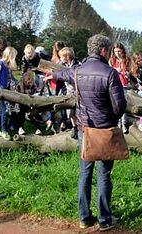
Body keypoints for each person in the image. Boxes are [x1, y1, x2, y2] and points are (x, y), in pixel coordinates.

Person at [51, 34, 126, 231]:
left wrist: (53, 74)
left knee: (85, 173)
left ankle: (84, 218)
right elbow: (120, 106)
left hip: (85, 129)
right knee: (104, 174)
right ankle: (104, 219)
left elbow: (63, 74)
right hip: (104, 130)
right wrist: (111, 117)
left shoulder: (77, 71)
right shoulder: (110, 73)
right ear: (103, 51)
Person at [58, 47, 81, 138]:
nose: (60, 59)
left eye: (61, 57)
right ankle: (74, 127)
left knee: (78, 111)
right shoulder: (64, 65)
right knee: (70, 112)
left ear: (67, 56)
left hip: (77, 91)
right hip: (69, 91)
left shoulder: (77, 65)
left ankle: (80, 128)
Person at [109, 42, 131, 133]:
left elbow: (130, 71)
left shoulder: (127, 60)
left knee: (124, 106)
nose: (117, 53)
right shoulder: (111, 60)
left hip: (125, 84)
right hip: (115, 85)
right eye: (115, 51)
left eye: (119, 51)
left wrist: (127, 74)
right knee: (115, 105)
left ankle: (124, 124)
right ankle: (117, 124)